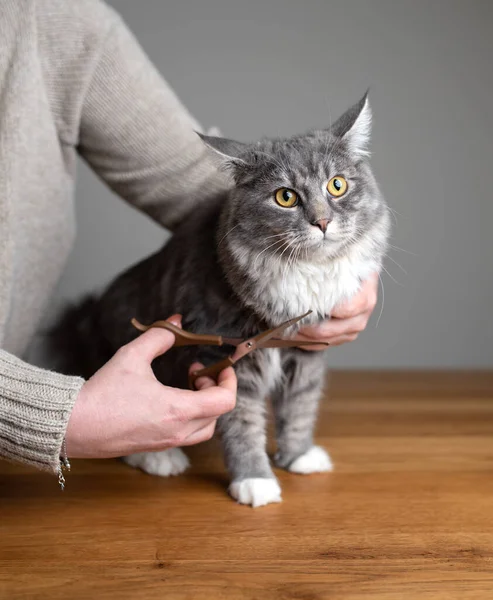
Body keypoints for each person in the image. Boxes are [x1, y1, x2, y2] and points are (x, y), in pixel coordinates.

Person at [0, 0, 379, 480]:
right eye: (291, 198)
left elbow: (186, 172)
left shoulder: (49, 15)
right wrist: (58, 416)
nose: (321, 216)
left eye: (337, 189)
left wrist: (348, 263)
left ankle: (291, 446)